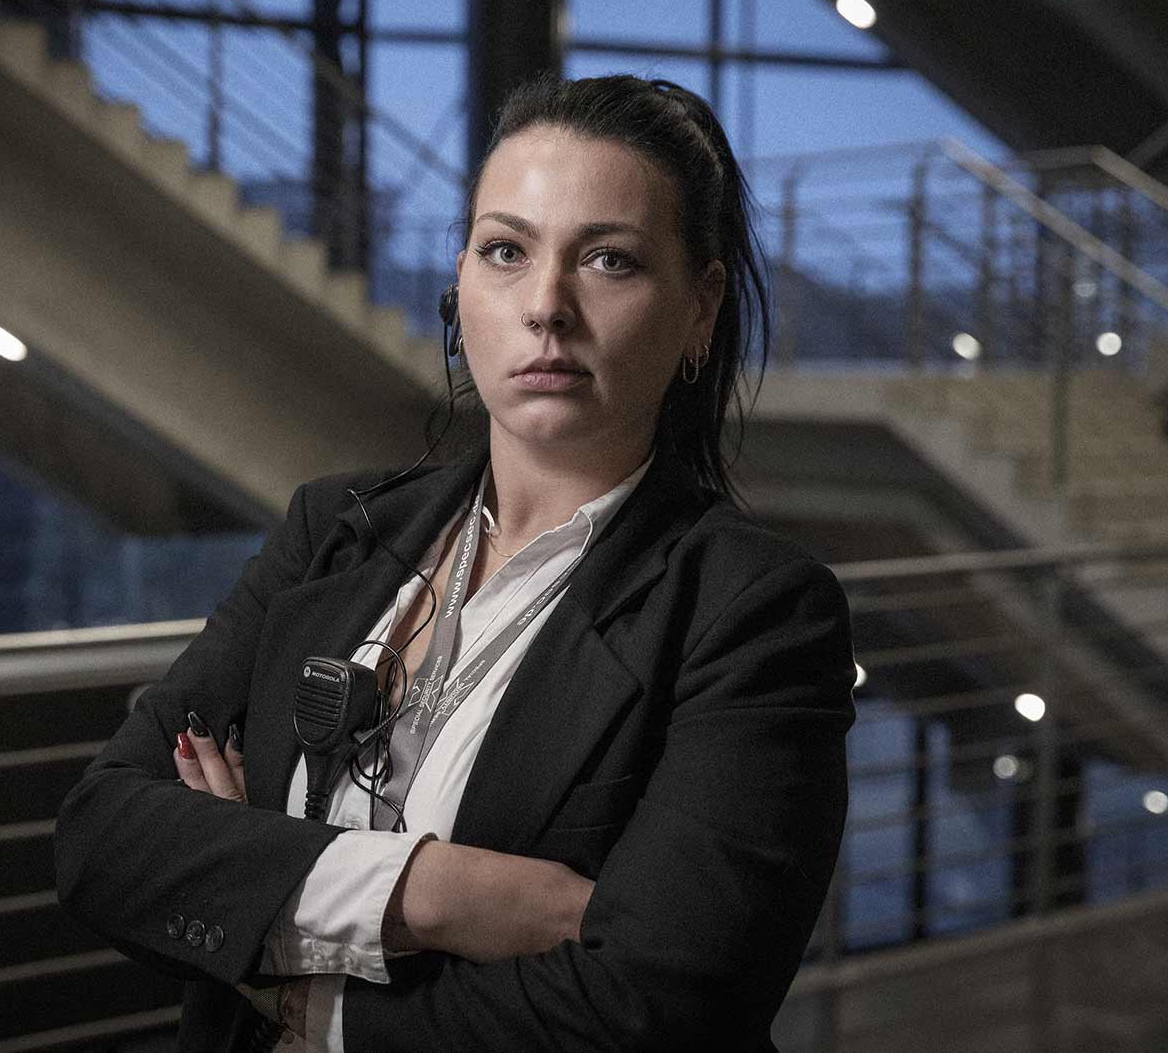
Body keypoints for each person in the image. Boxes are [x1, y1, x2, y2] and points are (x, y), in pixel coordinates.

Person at [54, 73, 856, 1052]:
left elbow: (665, 1001)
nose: (546, 306)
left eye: (608, 259)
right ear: (460, 284)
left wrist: (285, 950)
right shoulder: (333, 531)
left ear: (700, 307)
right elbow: (101, 836)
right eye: (506, 250)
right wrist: (443, 890)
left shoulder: (751, 609)